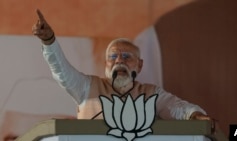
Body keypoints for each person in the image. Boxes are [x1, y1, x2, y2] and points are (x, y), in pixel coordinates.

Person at [32, 9, 217, 131]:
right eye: (113, 57)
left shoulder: (151, 93)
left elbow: (177, 108)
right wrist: (49, 42)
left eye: (127, 57)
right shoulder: (87, 87)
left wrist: (195, 115)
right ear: (106, 64)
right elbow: (61, 71)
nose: (119, 61)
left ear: (140, 65)